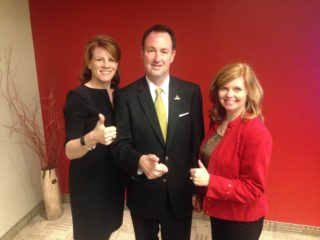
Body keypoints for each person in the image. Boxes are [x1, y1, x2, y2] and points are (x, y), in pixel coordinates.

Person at [113, 24, 204, 240]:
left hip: (180, 194)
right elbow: (120, 145)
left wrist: (197, 191)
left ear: (172, 55)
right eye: (151, 50)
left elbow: (196, 145)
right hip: (143, 194)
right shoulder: (125, 96)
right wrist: (138, 161)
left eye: (164, 51)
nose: (157, 58)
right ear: (142, 53)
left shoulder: (191, 92)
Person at [190, 63, 272, 240]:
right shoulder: (218, 120)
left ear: (249, 92)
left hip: (241, 219)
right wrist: (199, 193)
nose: (229, 95)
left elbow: (253, 188)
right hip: (219, 210)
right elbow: (210, 162)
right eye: (224, 88)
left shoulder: (256, 132)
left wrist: (210, 182)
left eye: (237, 89)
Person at [63, 35, 125, 240]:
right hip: (90, 184)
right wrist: (91, 138)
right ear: (89, 63)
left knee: (107, 229)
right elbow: (69, 151)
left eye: (112, 59)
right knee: (90, 234)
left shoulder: (120, 95)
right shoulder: (78, 97)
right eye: (100, 59)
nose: (106, 65)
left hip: (113, 179)